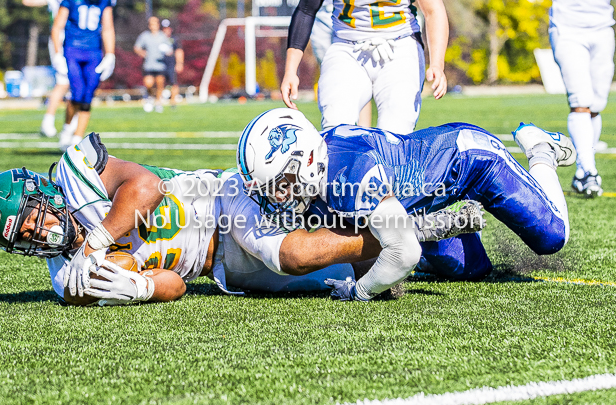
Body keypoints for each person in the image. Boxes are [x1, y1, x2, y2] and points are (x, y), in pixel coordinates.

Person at [0, 134, 479, 305]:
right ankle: (432, 239)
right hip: (223, 268)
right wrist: (139, 289)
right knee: (349, 275)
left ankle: (411, 220)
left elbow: (146, 185)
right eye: (25, 237)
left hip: (220, 199)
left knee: (294, 253)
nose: (40, 232)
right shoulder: (68, 282)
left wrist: (100, 237)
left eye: (33, 218)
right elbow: (174, 284)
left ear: (43, 192)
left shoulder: (80, 175)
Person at [237, 108, 576, 301]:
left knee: (552, 237)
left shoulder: (349, 174)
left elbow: (404, 253)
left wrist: (360, 292)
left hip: (471, 162)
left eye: (282, 183)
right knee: (473, 270)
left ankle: (541, 150)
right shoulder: (324, 170)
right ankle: (448, 222)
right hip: (418, 201)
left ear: (309, 160)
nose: (277, 196)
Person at [281, 0, 449, 134]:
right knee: (336, 124)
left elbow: (433, 10)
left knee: (396, 131)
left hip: (400, 45)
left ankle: (386, 175)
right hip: (347, 47)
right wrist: (290, 70)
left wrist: (437, 64)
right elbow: (306, 9)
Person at [549, 0, 615, 197]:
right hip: (567, 28)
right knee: (581, 102)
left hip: (603, 27)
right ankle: (589, 171)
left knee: (596, 104)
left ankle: (581, 173)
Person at [51, 0, 116, 151]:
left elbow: (108, 28)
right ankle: (67, 129)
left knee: (88, 95)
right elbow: (57, 27)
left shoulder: (104, 3)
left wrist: (110, 54)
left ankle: (76, 138)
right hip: (72, 49)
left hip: (93, 52)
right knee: (77, 91)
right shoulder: (70, 1)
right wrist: (57, 53)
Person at [309, 0, 372, 127]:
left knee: (361, 72)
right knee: (330, 74)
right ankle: (335, 129)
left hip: (352, 9)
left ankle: (364, 132)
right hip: (321, 11)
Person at [21, 0, 79, 139]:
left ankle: (69, 123)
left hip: (78, 40)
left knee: (76, 84)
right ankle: (51, 122)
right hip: (61, 40)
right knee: (63, 82)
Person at [134, 17, 171, 113]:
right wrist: (142, 53)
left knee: (159, 84)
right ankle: (150, 98)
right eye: (151, 24)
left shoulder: (163, 36)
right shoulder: (145, 36)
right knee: (148, 84)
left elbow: (170, 50)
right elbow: (137, 47)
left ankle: (158, 103)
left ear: (158, 25)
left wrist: (166, 50)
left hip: (160, 65)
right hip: (149, 65)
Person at [161, 19, 185, 108]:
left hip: (171, 64)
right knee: (160, 82)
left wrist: (180, 63)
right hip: (160, 64)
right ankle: (159, 101)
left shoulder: (174, 39)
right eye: (164, 29)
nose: (166, 31)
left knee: (173, 83)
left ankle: (173, 102)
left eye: (167, 28)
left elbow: (179, 51)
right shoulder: (158, 39)